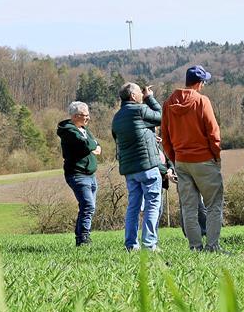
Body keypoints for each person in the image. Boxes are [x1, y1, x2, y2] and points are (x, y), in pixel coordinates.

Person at [162, 66, 224, 251]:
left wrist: (174, 158)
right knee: (213, 204)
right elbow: (213, 132)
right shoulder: (202, 101)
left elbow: (165, 137)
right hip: (204, 159)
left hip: (181, 160)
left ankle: (195, 246)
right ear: (200, 83)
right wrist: (216, 156)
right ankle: (212, 246)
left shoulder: (168, 104)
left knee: (189, 208)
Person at [112, 82, 164, 251]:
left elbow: (125, 137)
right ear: (133, 96)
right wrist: (150, 97)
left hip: (130, 170)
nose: (142, 95)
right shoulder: (139, 110)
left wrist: (148, 136)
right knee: (152, 204)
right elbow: (161, 116)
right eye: (140, 94)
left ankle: (131, 244)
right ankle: (149, 244)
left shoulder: (117, 117)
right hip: (147, 167)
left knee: (133, 206)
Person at [57, 101, 101, 246]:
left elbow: (96, 145)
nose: (88, 118)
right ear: (75, 116)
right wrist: (92, 145)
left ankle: (81, 237)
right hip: (77, 174)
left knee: (89, 206)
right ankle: (83, 239)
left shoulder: (83, 129)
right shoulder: (69, 131)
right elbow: (89, 145)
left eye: (88, 115)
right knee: (88, 205)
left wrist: (93, 144)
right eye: (84, 115)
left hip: (91, 175)